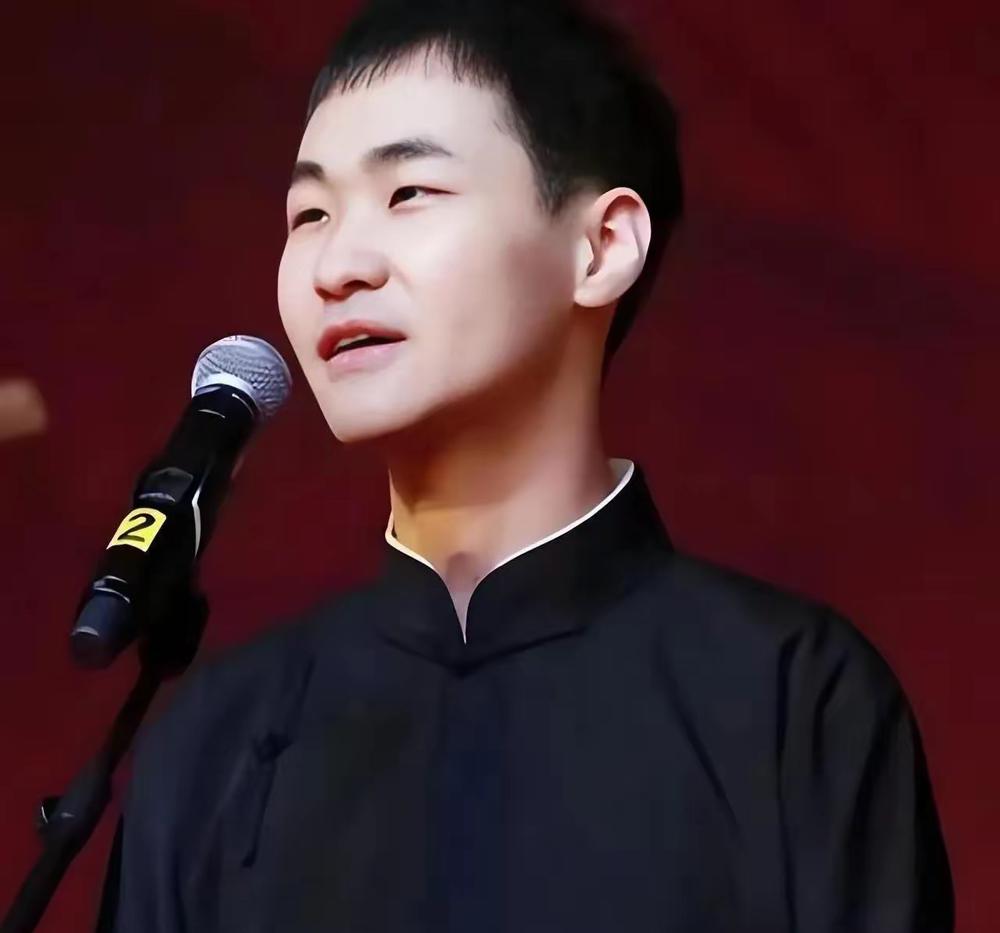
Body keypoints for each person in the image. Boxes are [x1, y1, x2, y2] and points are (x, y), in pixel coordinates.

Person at [99, 0, 954, 929]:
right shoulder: (212, 743)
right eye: (309, 213)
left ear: (602, 247)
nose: (335, 265)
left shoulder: (793, 698)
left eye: (409, 193)